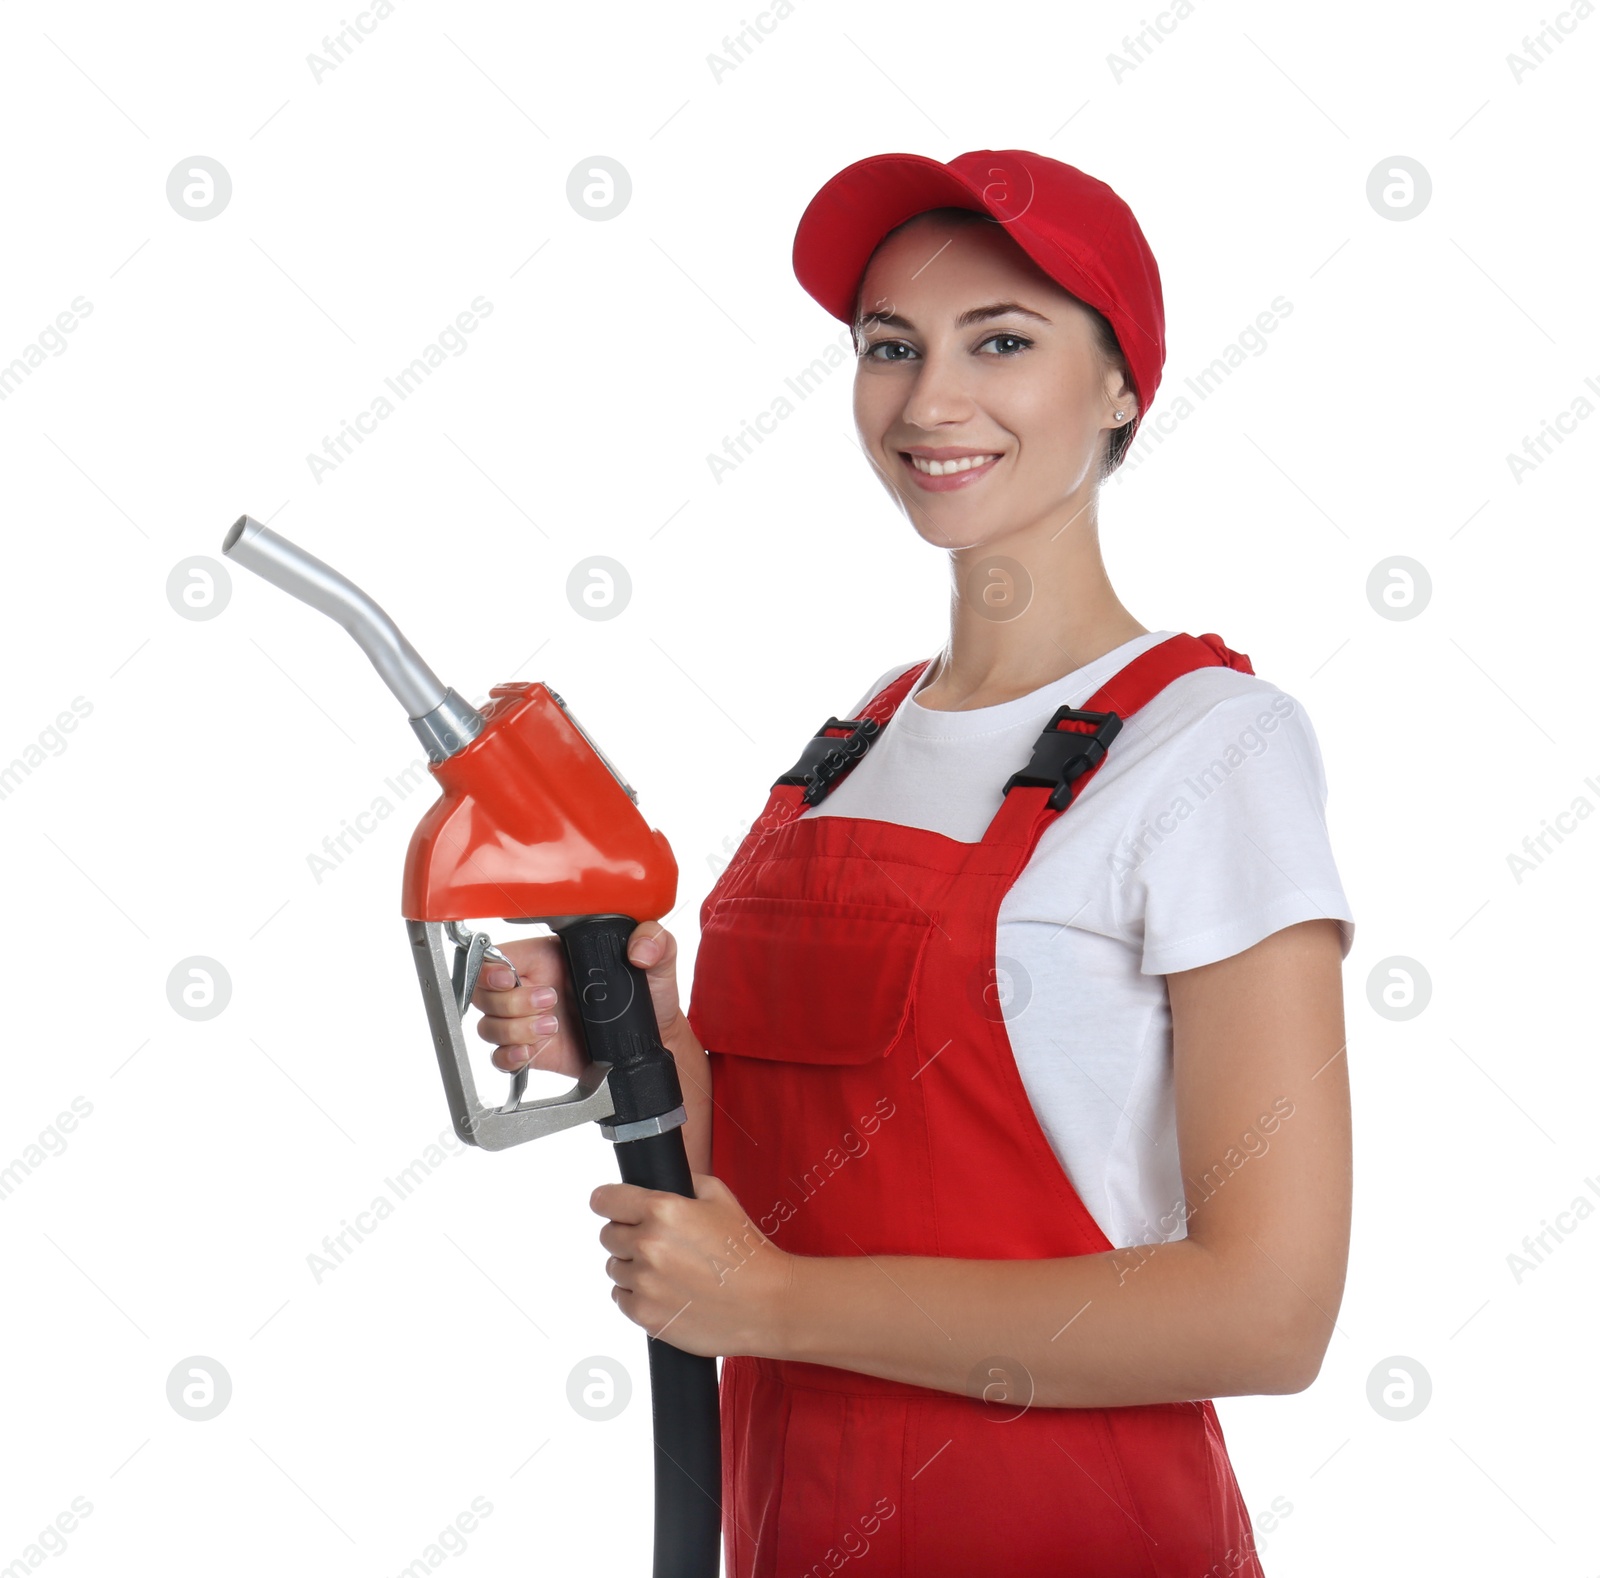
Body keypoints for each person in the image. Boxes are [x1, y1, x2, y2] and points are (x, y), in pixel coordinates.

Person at [472, 149, 1354, 1577]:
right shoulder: (853, 741)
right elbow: (756, 1189)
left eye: (1001, 340)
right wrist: (638, 1039)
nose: (931, 400)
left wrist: (776, 1306)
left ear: (1124, 383)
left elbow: (1267, 1312)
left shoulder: (1215, 750)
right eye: (892, 347)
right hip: (783, 1525)